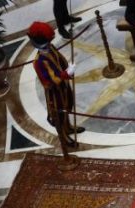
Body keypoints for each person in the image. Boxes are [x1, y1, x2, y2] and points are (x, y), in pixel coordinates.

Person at [28, 21, 85, 149]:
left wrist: (68, 69)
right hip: (55, 93)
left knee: (67, 106)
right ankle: (64, 137)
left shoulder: (51, 47)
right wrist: (66, 74)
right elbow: (49, 82)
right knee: (59, 114)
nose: (48, 46)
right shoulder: (38, 62)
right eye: (46, 44)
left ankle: (69, 127)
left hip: (63, 86)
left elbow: (61, 60)